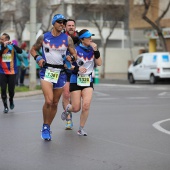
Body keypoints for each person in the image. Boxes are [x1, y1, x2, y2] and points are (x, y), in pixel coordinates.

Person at [30, 14, 77, 141]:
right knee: (49, 101)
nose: (62, 24)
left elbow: (75, 54)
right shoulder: (44, 37)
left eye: (64, 22)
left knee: (55, 103)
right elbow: (33, 50)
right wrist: (38, 57)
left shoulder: (67, 39)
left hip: (60, 73)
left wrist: (71, 58)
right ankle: (45, 127)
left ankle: (47, 126)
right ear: (53, 23)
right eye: (60, 22)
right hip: (47, 71)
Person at [61, 29, 102, 136]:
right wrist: (77, 68)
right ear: (82, 39)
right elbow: (67, 65)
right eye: (88, 38)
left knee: (86, 105)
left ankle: (81, 128)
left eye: (91, 37)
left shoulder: (93, 50)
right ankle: (67, 110)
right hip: (76, 80)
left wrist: (96, 50)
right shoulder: (75, 50)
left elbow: (99, 63)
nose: (91, 39)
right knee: (76, 108)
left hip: (88, 80)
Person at [62, 19, 79, 130]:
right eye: (69, 25)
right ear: (65, 27)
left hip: (77, 71)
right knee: (66, 95)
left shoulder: (79, 39)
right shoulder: (61, 38)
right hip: (64, 70)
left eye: (73, 25)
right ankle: (68, 119)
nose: (71, 27)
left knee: (74, 99)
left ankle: (69, 109)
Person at [0, 33, 22, 113]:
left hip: (12, 72)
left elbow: (20, 51)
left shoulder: (12, 47)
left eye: (2, 39)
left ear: (7, 40)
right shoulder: (0, 47)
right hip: (2, 72)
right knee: (3, 89)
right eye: (0, 39)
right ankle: (5, 106)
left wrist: (13, 44)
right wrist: (3, 47)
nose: (0, 40)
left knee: (11, 90)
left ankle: (11, 99)